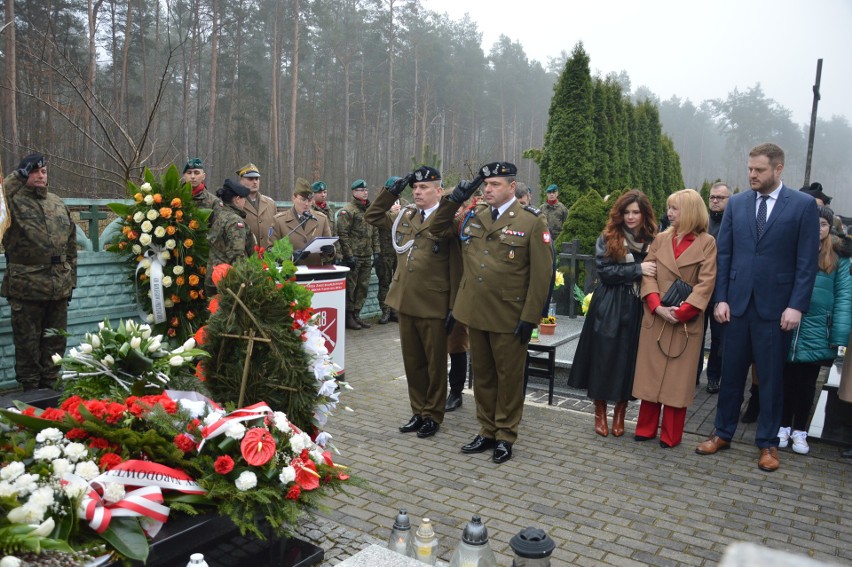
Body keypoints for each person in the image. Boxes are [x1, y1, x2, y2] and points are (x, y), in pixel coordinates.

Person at [696, 143, 819, 472]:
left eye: (759, 170)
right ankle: (722, 433)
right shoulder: (736, 204)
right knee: (730, 376)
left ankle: (768, 444)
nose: (752, 174)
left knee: (772, 379)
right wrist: (720, 297)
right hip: (735, 307)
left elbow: (807, 263)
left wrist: (796, 306)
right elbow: (724, 255)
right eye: (750, 169)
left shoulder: (803, 206)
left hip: (777, 310)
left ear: (778, 170)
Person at [430, 162, 554, 464]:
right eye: (485, 184)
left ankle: (505, 435)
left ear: (512, 187)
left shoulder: (531, 222)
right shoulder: (476, 216)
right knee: (483, 376)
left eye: (495, 184)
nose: (488, 189)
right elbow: (439, 231)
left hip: (510, 315)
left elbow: (541, 275)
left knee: (508, 379)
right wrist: (456, 198)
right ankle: (486, 430)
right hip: (476, 313)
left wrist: (530, 317)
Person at [365, 166, 461, 438]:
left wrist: (453, 305)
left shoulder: (448, 220)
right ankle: (418, 411)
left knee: (435, 363)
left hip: (434, 302)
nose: (417, 192)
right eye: (415, 188)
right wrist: (391, 191)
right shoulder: (405, 215)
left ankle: (433, 414)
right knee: (413, 361)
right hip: (405, 299)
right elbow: (372, 216)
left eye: (424, 188)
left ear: (438, 191)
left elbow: (456, 264)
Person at [632, 189, 717, 448]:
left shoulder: (707, 243)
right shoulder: (660, 239)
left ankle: (671, 435)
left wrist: (682, 312)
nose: (669, 213)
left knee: (677, 382)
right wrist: (657, 306)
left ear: (690, 211)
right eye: (669, 207)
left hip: (685, 320)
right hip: (656, 315)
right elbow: (648, 274)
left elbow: (706, 283)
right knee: (651, 374)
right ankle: (645, 429)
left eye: (675, 208)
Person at [568, 190, 657, 438]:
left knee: (629, 360)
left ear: (644, 214)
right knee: (604, 357)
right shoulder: (608, 237)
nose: (631, 217)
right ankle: (599, 412)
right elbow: (605, 272)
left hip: (638, 305)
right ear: (619, 213)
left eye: (636, 212)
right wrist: (638, 269)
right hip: (609, 303)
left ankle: (620, 413)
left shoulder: (652, 239)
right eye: (626, 212)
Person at [778, 206, 851, 455]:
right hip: (788, 325)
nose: (817, 228)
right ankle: (782, 426)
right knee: (785, 380)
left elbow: (844, 297)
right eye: (813, 223)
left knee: (807, 383)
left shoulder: (839, 257)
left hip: (818, 328)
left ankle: (800, 430)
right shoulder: (793, 249)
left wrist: (838, 336)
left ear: (829, 227)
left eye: (822, 224)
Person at [1, 153, 77, 391]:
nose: (40, 175)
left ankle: (52, 389)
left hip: (58, 287)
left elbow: (71, 246)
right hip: (27, 288)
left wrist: (71, 282)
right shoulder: (11, 201)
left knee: (56, 344)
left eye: (43, 171)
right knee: (27, 346)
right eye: (34, 171)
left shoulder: (56, 202)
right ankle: (31, 394)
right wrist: (17, 175)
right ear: (24, 174)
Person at [337, 179, 380, 330]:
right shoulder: (348, 210)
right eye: (362, 190)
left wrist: (377, 251)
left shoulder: (369, 209)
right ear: (354, 192)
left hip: (366, 255)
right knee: (351, 287)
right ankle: (348, 316)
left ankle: (357, 314)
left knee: (363, 286)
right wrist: (349, 255)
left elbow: (374, 232)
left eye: (366, 189)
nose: (365, 192)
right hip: (354, 256)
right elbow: (343, 234)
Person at [703, 182, 732, 394]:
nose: (715, 201)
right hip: (699, 288)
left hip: (721, 290)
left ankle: (713, 377)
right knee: (694, 335)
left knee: (719, 338)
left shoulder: (734, 224)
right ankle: (692, 375)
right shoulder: (702, 223)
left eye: (720, 198)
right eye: (712, 197)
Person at [204, 179, 256, 297]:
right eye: (243, 199)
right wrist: (248, 280)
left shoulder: (219, 215)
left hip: (214, 278)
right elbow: (237, 255)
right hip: (227, 283)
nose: (245, 203)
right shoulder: (235, 221)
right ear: (237, 199)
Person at [270, 178, 334, 266]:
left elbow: (329, 251)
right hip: (290, 276)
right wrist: (290, 257)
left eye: (310, 200)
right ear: (294, 198)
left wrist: (330, 251)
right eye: (303, 200)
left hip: (315, 274)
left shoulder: (321, 219)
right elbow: (270, 252)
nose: (307, 204)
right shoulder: (279, 221)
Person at [375, 177, 404, 324]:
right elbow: (375, 220)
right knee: (384, 283)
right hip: (384, 250)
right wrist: (392, 213)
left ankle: (395, 310)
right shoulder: (381, 204)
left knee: (397, 283)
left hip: (398, 250)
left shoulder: (402, 203)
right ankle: (385, 311)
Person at [237, 163, 277, 249]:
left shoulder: (270, 204)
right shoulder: (237, 203)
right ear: (241, 181)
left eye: (257, 178)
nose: (255, 182)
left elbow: (276, 231)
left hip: (268, 258)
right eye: (250, 179)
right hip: (246, 257)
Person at [183, 158, 221, 224]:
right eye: (189, 173)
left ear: (203, 176)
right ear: (184, 176)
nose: (192, 176)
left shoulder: (213, 202)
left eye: (196, 173)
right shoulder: (175, 197)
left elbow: (217, 229)